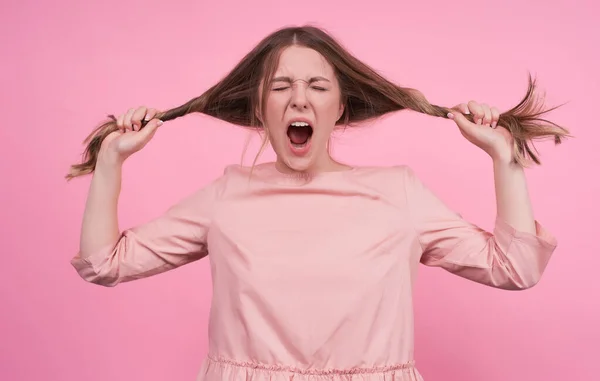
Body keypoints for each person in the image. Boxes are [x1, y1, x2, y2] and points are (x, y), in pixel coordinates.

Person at [67, 25, 568, 381]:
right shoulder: (227, 195)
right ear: (260, 108)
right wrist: (111, 161)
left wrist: (504, 157)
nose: (299, 99)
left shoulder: (400, 194)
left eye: (317, 86)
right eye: (280, 87)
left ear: (340, 106)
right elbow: (102, 263)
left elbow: (516, 268)